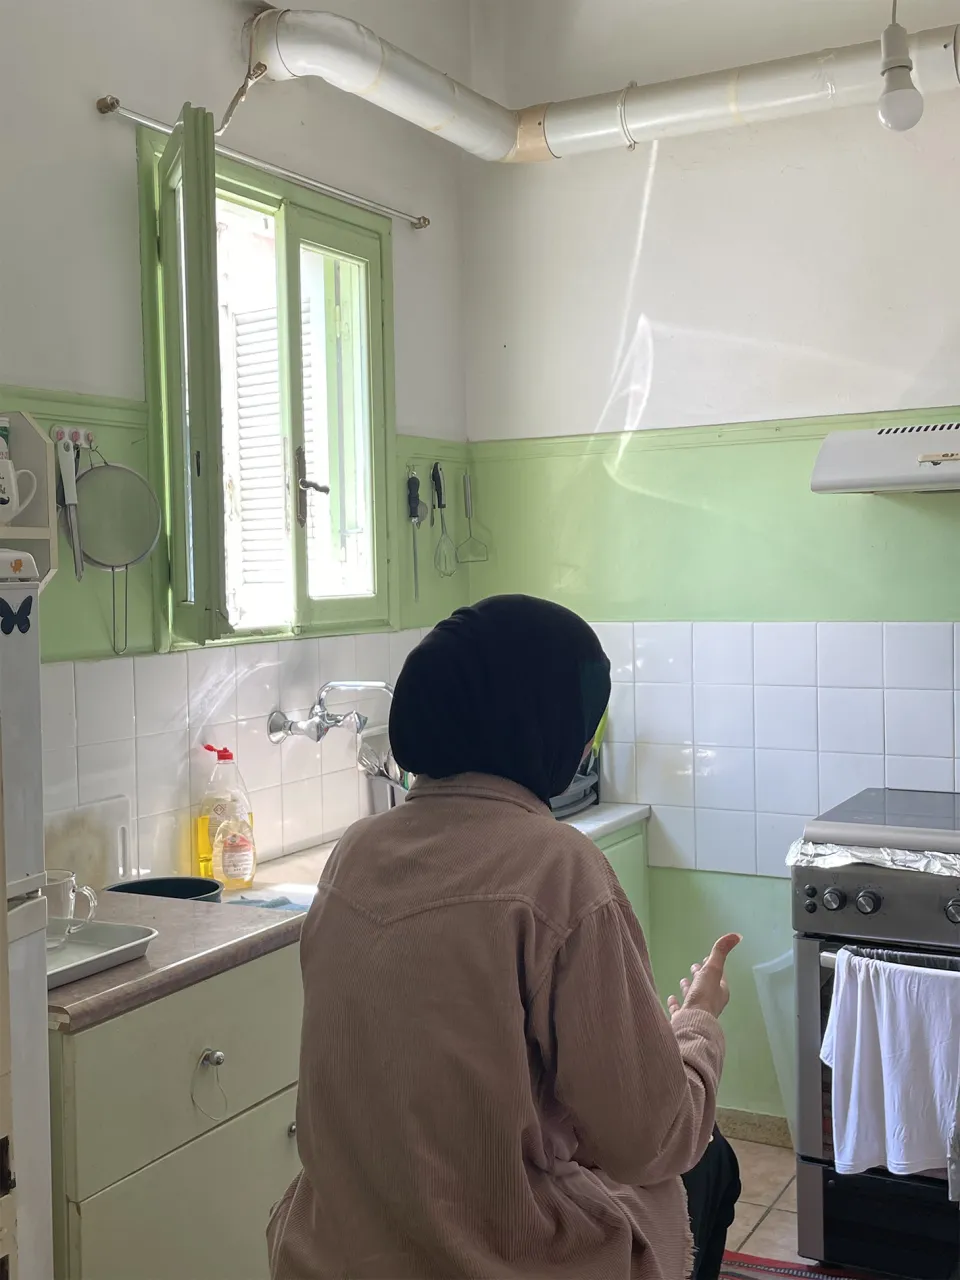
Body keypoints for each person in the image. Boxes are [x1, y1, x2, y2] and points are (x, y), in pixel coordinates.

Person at [268, 595, 741, 1280]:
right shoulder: (560, 870)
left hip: (336, 1252)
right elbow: (648, 1138)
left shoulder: (357, 852)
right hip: (492, 1259)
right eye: (586, 723)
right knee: (708, 1158)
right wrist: (696, 1026)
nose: (585, 745)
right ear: (547, 729)